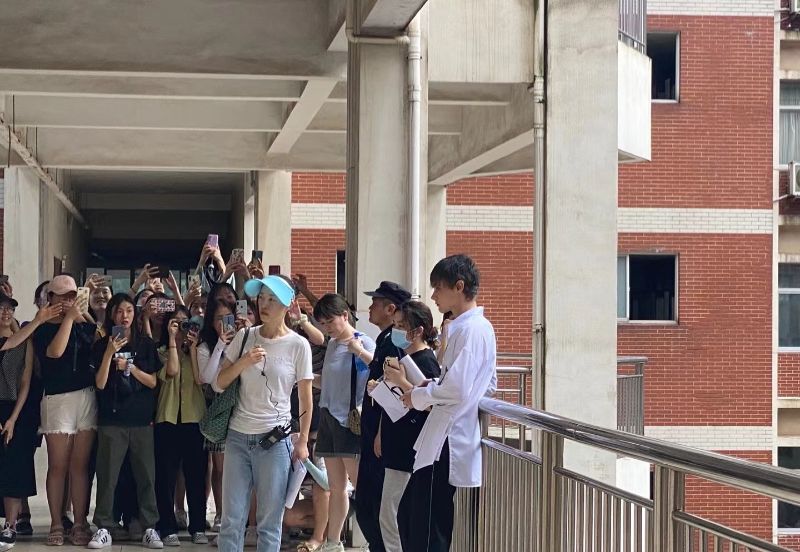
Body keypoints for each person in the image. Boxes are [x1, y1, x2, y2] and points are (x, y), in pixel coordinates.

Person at [396, 255, 497, 551]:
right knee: (415, 518)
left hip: (449, 437)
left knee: (426, 527)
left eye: (438, 288)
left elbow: (458, 388)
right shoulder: (468, 328)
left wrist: (420, 395)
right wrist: (431, 388)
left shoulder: (471, 329)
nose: (434, 296)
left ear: (459, 286)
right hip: (444, 434)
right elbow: (480, 384)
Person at [214, 275, 312, 552]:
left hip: (275, 440)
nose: (264, 305)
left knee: (269, 522)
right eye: (261, 298)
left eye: (272, 299)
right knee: (232, 520)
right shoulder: (245, 336)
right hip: (238, 436)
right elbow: (219, 383)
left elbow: (305, 397)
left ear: (287, 305)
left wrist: (303, 441)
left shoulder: (298, 345)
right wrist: (245, 361)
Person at [88, 294, 163, 549]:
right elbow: (99, 383)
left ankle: (149, 526)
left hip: (141, 420)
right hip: (111, 420)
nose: (125, 316)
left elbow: (152, 381)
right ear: (112, 315)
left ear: (135, 314)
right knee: (108, 476)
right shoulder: (101, 346)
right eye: (119, 311)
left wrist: (129, 368)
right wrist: (109, 353)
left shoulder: (145, 344)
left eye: (129, 310)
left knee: (146, 476)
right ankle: (104, 526)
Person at [30, 274, 98, 546]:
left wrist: (82, 315)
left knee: (80, 466)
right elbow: (55, 353)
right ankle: (56, 522)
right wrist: (68, 319)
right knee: (58, 465)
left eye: (73, 295)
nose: (70, 300)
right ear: (51, 298)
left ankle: (80, 522)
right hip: (57, 399)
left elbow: (99, 339)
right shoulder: (42, 327)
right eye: (64, 296)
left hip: (86, 396)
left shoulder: (83, 325)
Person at [313, 294, 376, 552]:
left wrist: (359, 351)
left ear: (344, 316)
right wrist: (306, 378)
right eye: (323, 323)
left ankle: (376, 537)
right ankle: (333, 541)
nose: (327, 327)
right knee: (336, 485)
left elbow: (379, 371)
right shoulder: (332, 344)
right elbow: (329, 383)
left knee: (362, 484)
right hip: (328, 416)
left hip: (349, 420)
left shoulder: (362, 341)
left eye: (330, 321)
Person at [377, 301, 441, 551]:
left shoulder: (426, 361)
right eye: (395, 325)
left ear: (418, 330)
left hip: (409, 446)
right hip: (396, 441)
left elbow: (430, 403)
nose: (397, 331)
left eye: (402, 326)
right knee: (392, 512)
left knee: (391, 513)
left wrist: (401, 381)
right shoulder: (406, 358)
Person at [354, 282, 410, 552]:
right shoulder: (384, 339)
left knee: (373, 505)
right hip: (372, 433)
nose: (370, 308)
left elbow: (393, 390)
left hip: (380, 437)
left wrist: (380, 431)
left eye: (375, 303)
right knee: (366, 504)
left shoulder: (394, 342)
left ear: (390, 309)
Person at [154, 307, 209, 546]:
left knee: (196, 476)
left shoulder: (198, 351)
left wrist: (193, 347)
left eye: (185, 322)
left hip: (194, 418)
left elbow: (200, 379)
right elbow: (172, 370)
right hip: (167, 418)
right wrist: (172, 340)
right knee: (165, 477)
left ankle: (198, 526)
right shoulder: (161, 351)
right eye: (176, 322)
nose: (181, 327)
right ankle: (167, 527)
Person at [0, 291, 42, 551]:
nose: (6, 312)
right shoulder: (13, 340)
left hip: (17, 409)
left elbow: (26, 380)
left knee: (15, 466)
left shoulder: (24, 341)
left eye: (10, 308)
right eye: (1, 308)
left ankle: (11, 525)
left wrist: (13, 418)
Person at [193, 297, 237, 533]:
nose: (223, 323)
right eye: (218, 318)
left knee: (237, 468)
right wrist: (220, 345)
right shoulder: (205, 346)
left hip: (241, 406)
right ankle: (220, 512)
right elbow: (206, 378)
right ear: (210, 321)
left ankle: (237, 514)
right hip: (218, 409)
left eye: (227, 318)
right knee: (220, 468)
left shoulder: (244, 339)